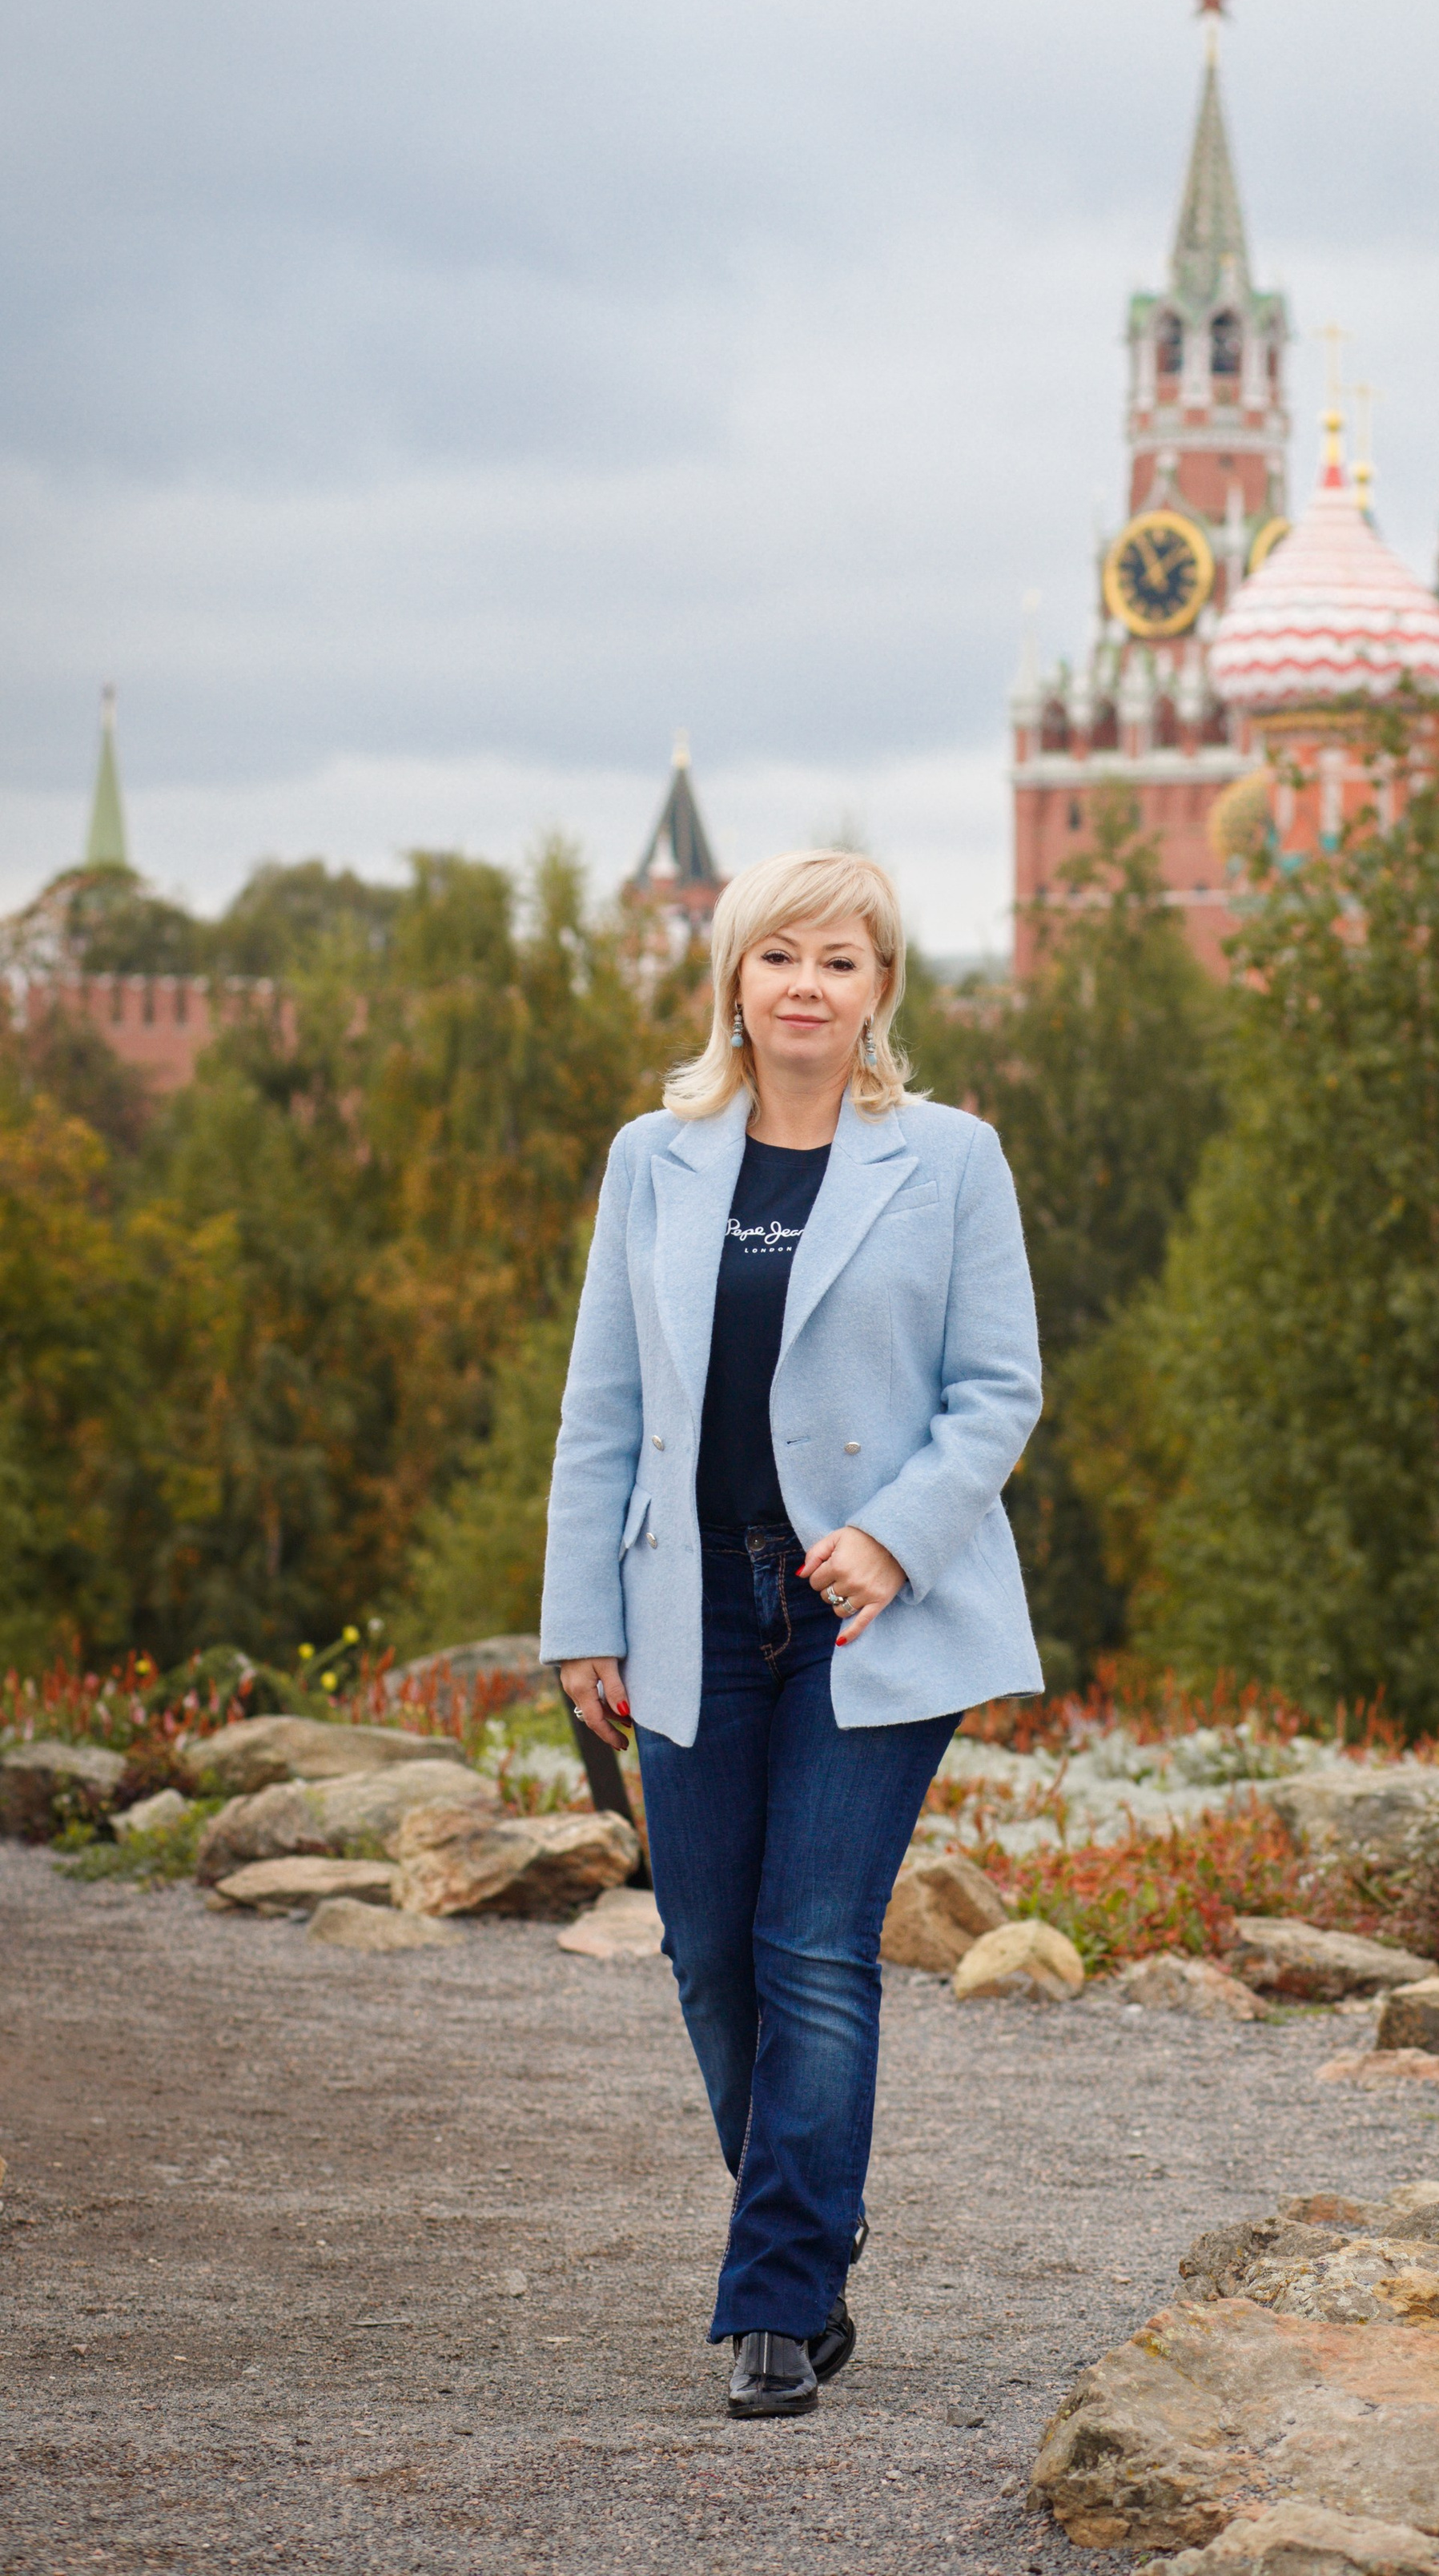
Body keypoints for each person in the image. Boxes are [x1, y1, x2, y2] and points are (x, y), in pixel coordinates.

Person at [541, 847, 1042, 2419]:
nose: (806, 986)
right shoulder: (654, 1157)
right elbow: (602, 1404)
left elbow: (996, 1392)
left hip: (867, 1617)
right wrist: (579, 1620)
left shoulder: (948, 1159)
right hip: (683, 1601)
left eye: (839, 959)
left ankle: (772, 2303)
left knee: (811, 1949)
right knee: (705, 1959)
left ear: (880, 989)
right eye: (779, 959)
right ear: (734, 982)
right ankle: (810, 2220)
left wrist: (891, 1537)